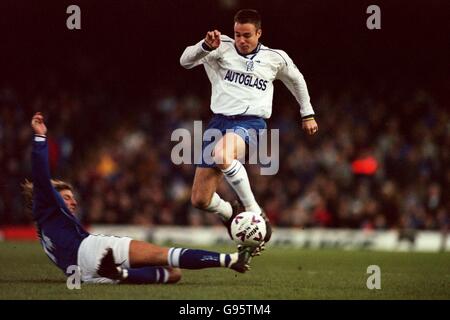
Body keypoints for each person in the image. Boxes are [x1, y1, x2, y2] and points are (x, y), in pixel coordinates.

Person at [23, 112, 253, 285]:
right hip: (90, 250)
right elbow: (42, 177)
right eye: (66, 197)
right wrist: (40, 138)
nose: (73, 202)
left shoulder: (44, 231)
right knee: (165, 255)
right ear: (50, 197)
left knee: (172, 275)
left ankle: (120, 274)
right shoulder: (46, 206)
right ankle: (232, 260)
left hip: (81, 274)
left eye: (72, 198)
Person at [180, 9, 318, 246]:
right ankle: (230, 212)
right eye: (237, 34)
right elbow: (185, 61)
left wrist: (307, 113)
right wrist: (205, 46)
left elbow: (297, 79)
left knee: (223, 155)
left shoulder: (275, 58)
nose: (241, 40)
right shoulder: (218, 45)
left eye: (246, 35)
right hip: (218, 124)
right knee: (200, 200)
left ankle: (255, 212)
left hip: (250, 122)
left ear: (259, 33)